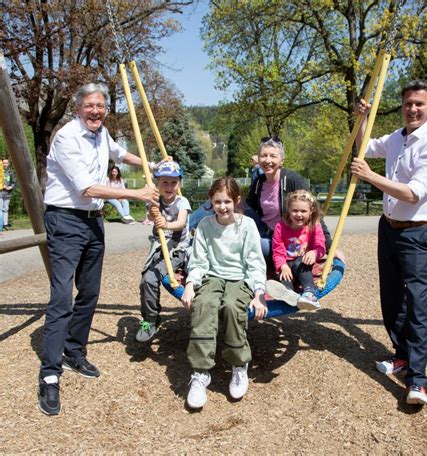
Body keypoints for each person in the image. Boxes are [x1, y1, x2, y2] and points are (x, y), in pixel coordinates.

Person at [38, 83, 160, 416]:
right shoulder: (66, 138)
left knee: (89, 292)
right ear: (78, 108)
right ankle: (50, 373)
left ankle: (73, 350)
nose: (96, 111)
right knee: (62, 296)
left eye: (101, 106)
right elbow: (87, 187)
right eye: (90, 106)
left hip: (94, 221)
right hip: (65, 220)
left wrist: (152, 161)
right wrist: (138, 195)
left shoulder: (101, 133)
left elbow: (121, 155)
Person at [351, 80, 427, 406]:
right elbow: (365, 146)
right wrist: (362, 118)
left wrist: (370, 176)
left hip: (418, 233)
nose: (413, 109)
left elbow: (412, 192)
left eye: (419, 104)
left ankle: (418, 381)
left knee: (417, 306)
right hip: (389, 228)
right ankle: (402, 356)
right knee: (392, 299)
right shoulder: (397, 137)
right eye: (408, 103)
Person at [181, 177, 267, 409]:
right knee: (204, 305)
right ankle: (200, 373)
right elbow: (199, 261)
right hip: (213, 276)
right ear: (211, 201)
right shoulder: (205, 226)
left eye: (227, 201)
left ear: (237, 200)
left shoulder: (247, 225)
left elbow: (255, 262)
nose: (222, 206)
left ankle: (239, 365)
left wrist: (259, 293)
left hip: (240, 277)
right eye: (217, 201)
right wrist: (190, 283)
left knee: (231, 306)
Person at [246, 137, 332, 262]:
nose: (267, 160)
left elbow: (314, 211)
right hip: (265, 230)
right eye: (263, 156)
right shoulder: (258, 182)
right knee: (229, 201)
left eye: (273, 156)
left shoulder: (292, 180)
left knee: (257, 246)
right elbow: (250, 208)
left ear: (281, 161)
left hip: (286, 236)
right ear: (258, 159)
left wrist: (329, 246)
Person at [136, 160, 191, 342]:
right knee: (147, 280)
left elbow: (181, 222)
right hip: (161, 248)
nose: (169, 186)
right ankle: (150, 319)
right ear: (157, 184)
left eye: (173, 182)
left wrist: (166, 224)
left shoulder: (182, 202)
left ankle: (151, 319)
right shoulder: (154, 201)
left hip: (178, 250)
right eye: (164, 182)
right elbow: (152, 215)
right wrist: (152, 205)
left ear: (179, 183)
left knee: (155, 277)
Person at [266, 189, 326, 310]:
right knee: (283, 275)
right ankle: (288, 293)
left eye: (303, 211)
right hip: (286, 263)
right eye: (295, 210)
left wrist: (314, 253)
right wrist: (282, 265)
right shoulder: (280, 227)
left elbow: (321, 246)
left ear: (311, 211)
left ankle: (309, 291)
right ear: (289, 210)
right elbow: (277, 250)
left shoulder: (314, 225)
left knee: (299, 262)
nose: (299, 215)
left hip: (303, 263)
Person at [1, 158, 15, 234]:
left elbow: (13, 182)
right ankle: (1, 224)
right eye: (3, 163)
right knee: (0, 209)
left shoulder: (10, 172)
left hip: (8, 194)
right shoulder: (0, 172)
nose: (5, 164)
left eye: (6, 163)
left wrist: (11, 187)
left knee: (6, 208)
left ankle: (5, 224)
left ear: (8, 164)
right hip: (0, 193)